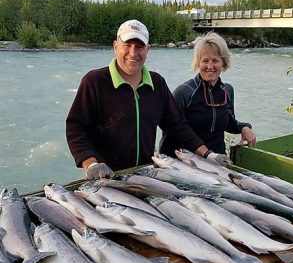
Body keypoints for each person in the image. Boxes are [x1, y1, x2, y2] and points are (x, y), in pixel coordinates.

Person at [66, 19, 226, 180]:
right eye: (127, 45)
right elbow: (76, 127)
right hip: (105, 178)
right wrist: (91, 164)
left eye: (139, 46)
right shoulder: (95, 81)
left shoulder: (157, 83)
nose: (133, 53)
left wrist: (208, 155)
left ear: (147, 50)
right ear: (115, 47)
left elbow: (177, 126)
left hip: (144, 174)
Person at [160, 31, 256, 161]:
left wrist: (244, 127)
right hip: (187, 163)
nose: (210, 66)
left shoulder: (227, 90)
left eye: (215, 60)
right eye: (205, 61)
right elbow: (172, 130)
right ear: (198, 63)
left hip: (218, 160)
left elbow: (228, 122)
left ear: (224, 63)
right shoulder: (184, 92)